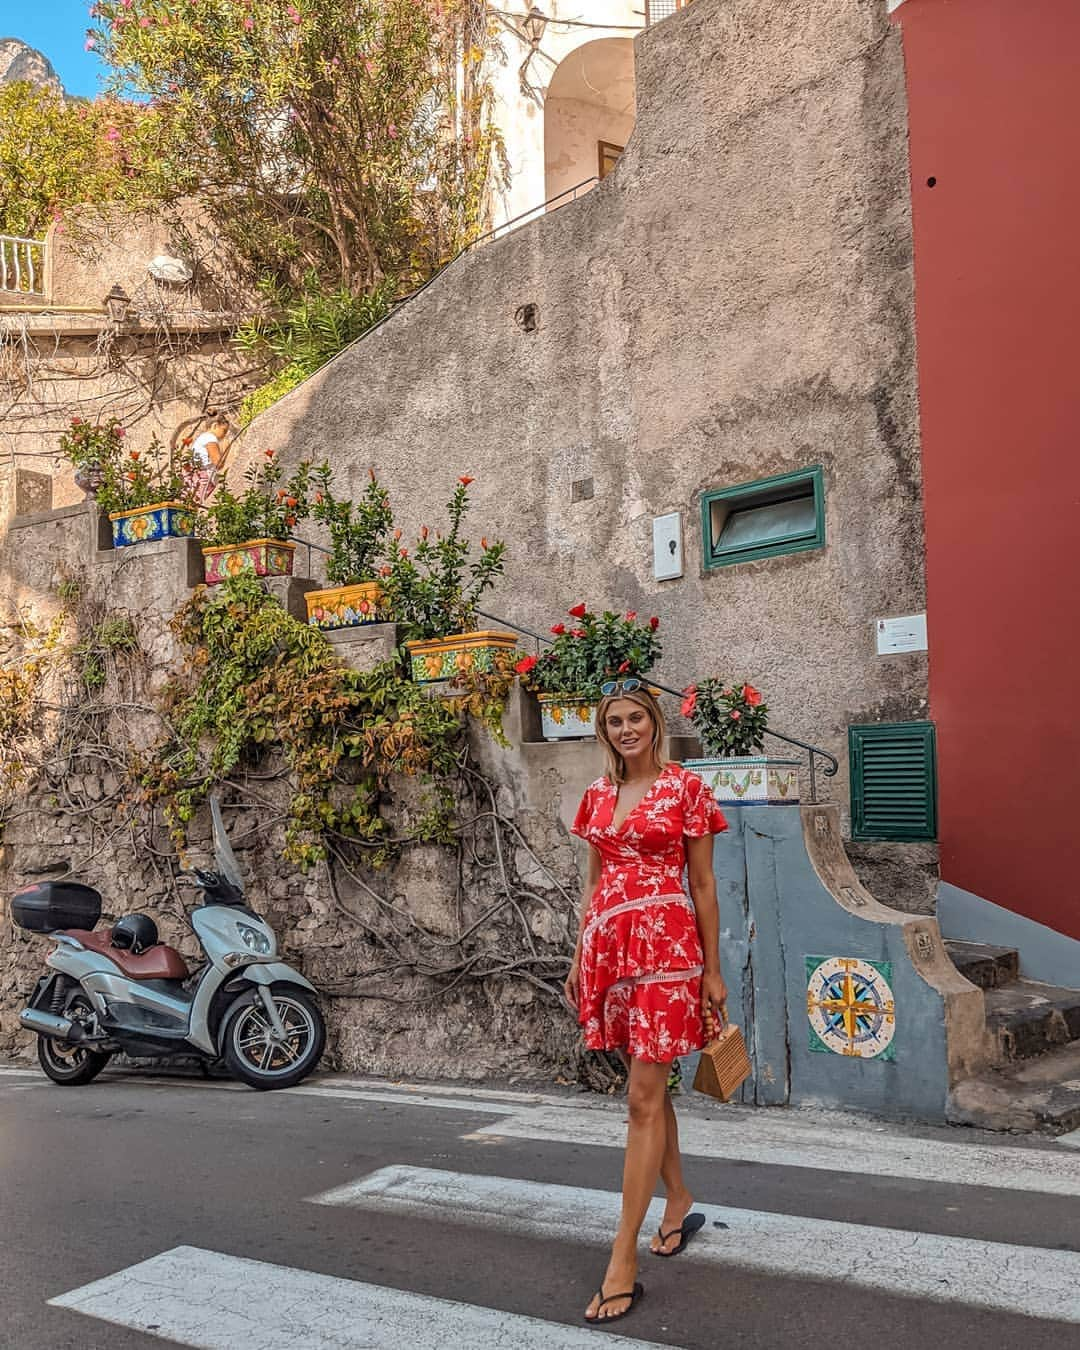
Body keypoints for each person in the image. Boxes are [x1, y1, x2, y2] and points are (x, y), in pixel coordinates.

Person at [566, 679, 728, 1327]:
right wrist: (580, 957)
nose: (626, 729)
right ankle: (679, 1199)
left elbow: (705, 881)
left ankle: (621, 1258)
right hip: (610, 950)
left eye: (635, 718)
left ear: (654, 723)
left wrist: (713, 971)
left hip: (667, 950)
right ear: (604, 732)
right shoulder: (598, 794)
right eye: (614, 722)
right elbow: (594, 880)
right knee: (650, 1092)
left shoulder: (686, 788)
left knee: (639, 1097)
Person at [185, 411, 230, 505]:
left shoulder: (202, 438)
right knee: (202, 505)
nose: (224, 435)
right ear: (215, 426)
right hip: (204, 478)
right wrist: (226, 449)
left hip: (195, 476)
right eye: (224, 431)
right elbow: (218, 463)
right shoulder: (210, 438)